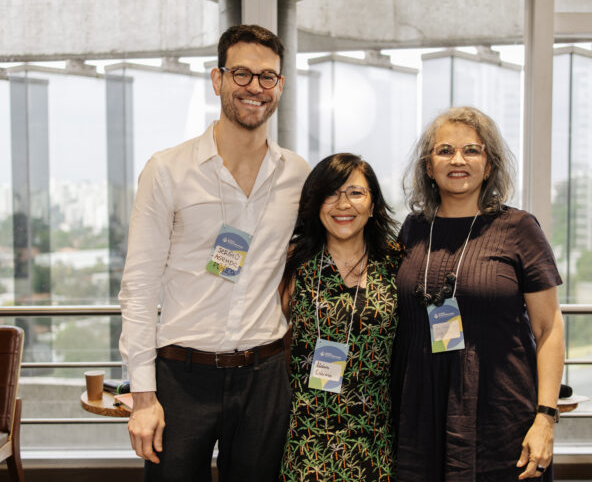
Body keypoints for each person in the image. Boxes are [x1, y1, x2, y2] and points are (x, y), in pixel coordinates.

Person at [118, 24, 310, 482]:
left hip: (266, 376)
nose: (254, 87)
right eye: (241, 73)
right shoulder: (168, 170)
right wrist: (143, 397)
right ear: (217, 79)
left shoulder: (297, 175)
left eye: (267, 77)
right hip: (182, 375)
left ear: (280, 85)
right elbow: (139, 288)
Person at [392, 106, 565, 481]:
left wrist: (546, 417)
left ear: (489, 166)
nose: (458, 160)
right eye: (445, 150)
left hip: (500, 410)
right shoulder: (413, 229)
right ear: (428, 166)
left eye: (472, 150)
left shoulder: (519, 228)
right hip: (419, 412)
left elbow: (549, 327)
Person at [278, 153, 401, 481]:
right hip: (307, 440)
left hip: (375, 439)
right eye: (331, 193)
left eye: (356, 193)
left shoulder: (396, 262)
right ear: (316, 204)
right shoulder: (294, 262)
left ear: (372, 205)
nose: (343, 204)